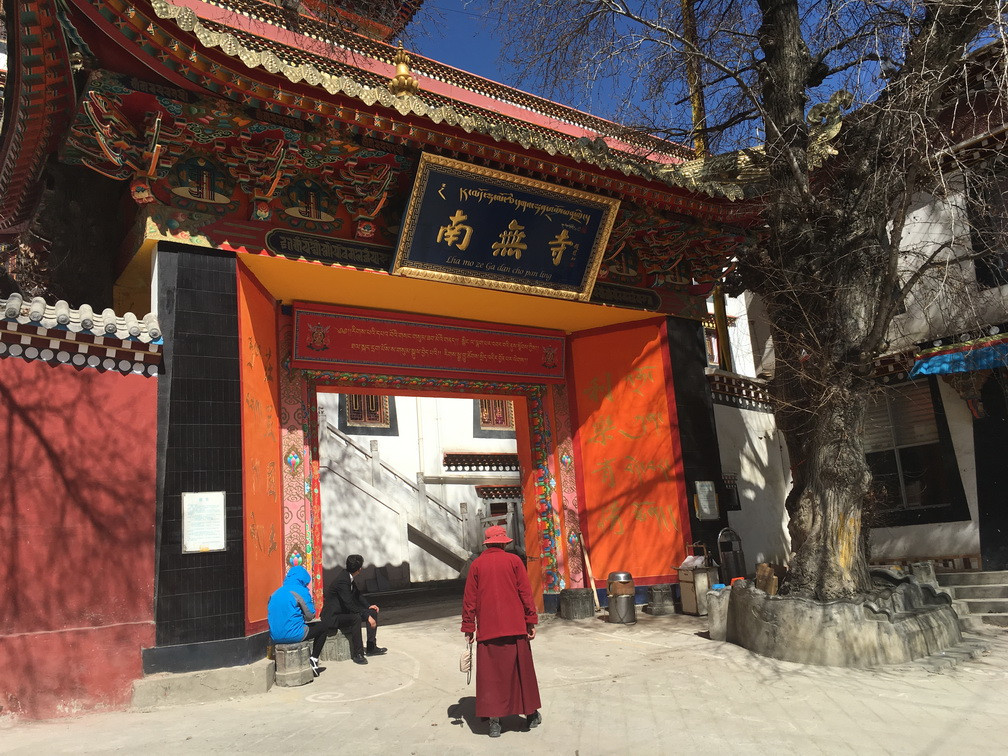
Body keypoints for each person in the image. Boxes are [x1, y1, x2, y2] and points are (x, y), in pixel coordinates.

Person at [461, 525, 542, 738]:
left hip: (488, 630)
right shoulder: (514, 561)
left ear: (487, 543)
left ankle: (495, 723)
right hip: (515, 627)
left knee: (492, 676)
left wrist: (469, 627)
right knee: (521, 672)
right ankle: (531, 715)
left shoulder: (477, 565)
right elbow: (525, 592)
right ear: (504, 542)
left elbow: (469, 600)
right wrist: (530, 620)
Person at [322, 554, 387, 665]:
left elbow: (357, 595)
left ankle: (371, 646)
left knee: (373, 611)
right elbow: (349, 604)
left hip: (343, 611)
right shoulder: (343, 580)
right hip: (333, 616)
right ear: (359, 569)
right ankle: (358, 653)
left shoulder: (348, 577)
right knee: (356, 618)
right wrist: (366, 616)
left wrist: (368, 607)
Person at [267, 565, 328, 677]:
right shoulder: (301, 591)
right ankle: (314, 659)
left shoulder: (275, 593)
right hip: (294, 634)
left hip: (274, 636)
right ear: (304, 579)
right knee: (323, 627)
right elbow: (310, 615)